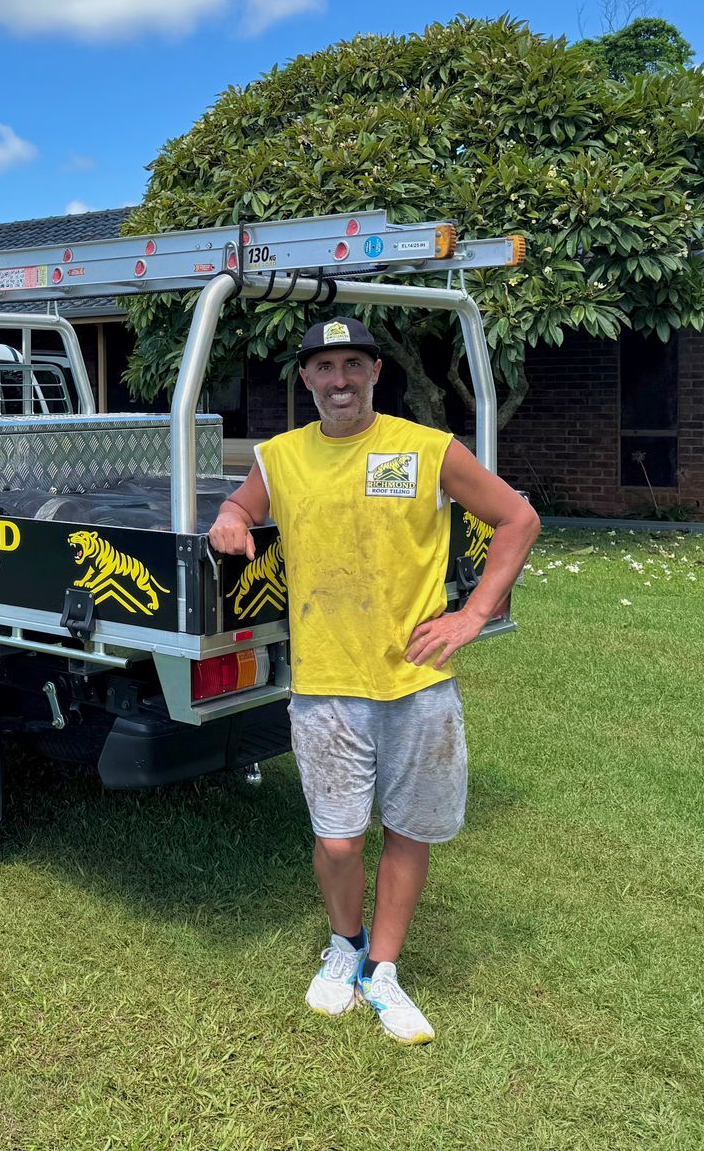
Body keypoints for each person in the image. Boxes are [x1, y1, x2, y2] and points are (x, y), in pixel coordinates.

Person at [208, 315, 540, 1043]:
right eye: (324, 368)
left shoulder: (424, 449)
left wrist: (473, 614)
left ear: (375, 373)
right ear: (304, 379)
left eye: (353, 364)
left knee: (409, 830)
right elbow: (244, 505)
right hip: (326, 684)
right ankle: (344, 945)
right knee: (337, 840)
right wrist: (231, 518)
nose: (339, 380)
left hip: (417, 684)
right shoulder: (280, 457)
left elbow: (517, 518)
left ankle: (383, 969)